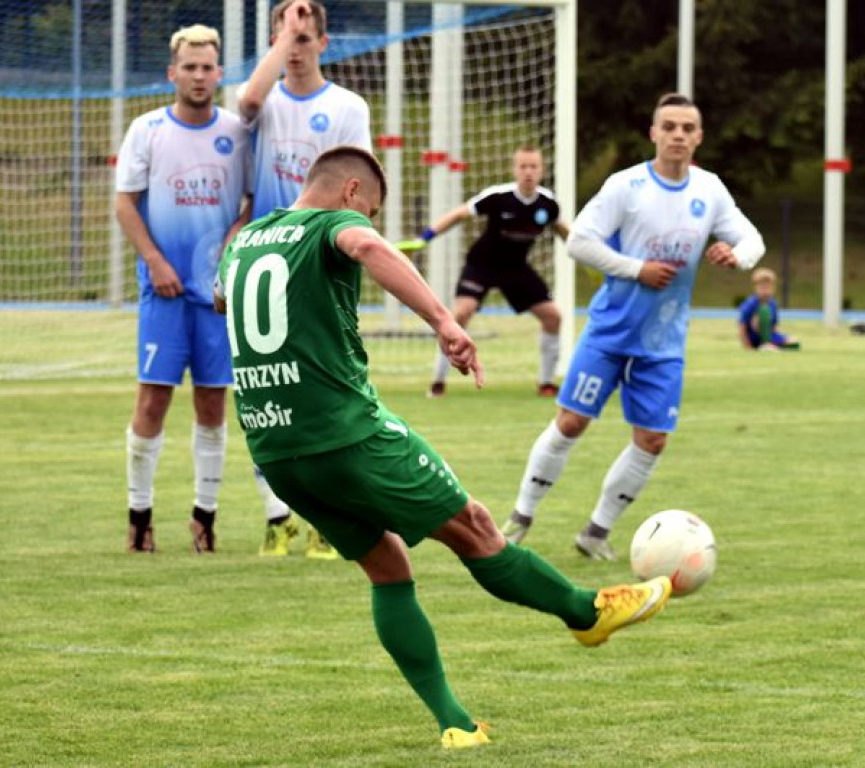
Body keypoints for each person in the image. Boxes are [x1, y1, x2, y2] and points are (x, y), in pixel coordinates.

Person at [214, 145, 672, 749]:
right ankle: (586, 614)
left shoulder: (252, 236)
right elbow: (369, 248)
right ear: (352, 194)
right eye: (371, 209)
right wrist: (444, 321)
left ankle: (456, 724)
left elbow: (222, 297)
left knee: (388, 567)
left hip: (275, 449)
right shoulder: (337, 223)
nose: (369, 221)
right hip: (346, 433)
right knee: (477, 528)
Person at [502, 93, 766, 561]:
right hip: (610, 331)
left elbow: (751, 239)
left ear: (698, 137)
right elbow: (580, 242)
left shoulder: (709, 190)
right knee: (572, 421)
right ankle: (520, 517)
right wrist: (635, 268)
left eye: (688, 127)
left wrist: (736, 256)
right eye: (670, 126)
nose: (678, 135)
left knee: (652, 439)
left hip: (664, 340)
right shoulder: (626, 186)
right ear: (654, 133)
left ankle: (595, 532)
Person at [237, 0, 373, 558]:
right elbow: (246, 102)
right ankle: (278, 518)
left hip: (319, 261)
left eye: (304, 36)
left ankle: (327, 520)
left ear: (324, 42)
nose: (294, 47)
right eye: (285, 37)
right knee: (264, 393)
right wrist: (282, 34)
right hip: (267, 259)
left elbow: (358, 185)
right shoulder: (260, 98)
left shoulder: (347, 106)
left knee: (327, 391)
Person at [115, 24, 251, 554]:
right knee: (151, 402)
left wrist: (232, 246)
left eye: (207, 68)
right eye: (189, 68)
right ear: (172, 73)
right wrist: (154, 261)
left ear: (219, 74)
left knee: (213, 405)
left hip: (215, 297)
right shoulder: (146, 130)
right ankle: (139, 517)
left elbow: (248, 203)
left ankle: (204, 518)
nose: (198, 76)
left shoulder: (238, 132)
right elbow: (126, 202)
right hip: (163, 293)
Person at [407, 145, 569, 397]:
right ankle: (438, 382)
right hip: (481, 265)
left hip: (516, 269)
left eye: (533, 166)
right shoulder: (498, 196)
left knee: (553, 317)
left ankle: (546, 383)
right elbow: (459, 214)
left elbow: (565, 232)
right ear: (514, 169)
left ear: (542, 170)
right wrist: (424, 238)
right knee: (460, 314)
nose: (528, 172)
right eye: (523, 166)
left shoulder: (548, 204)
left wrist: (590, 256)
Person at [738, 267, 800, 350]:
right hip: (754, 337)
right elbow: (742, 327)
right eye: (762, 287)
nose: (765, 291)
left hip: (769, 336)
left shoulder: (772, 304)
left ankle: (771, 346)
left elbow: (774, 326)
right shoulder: (750, 304)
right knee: (763, 312)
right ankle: (766, 346)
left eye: (768, 287)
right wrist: (748, 346)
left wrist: (775, 337)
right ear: (756, 287)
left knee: (794, 341)